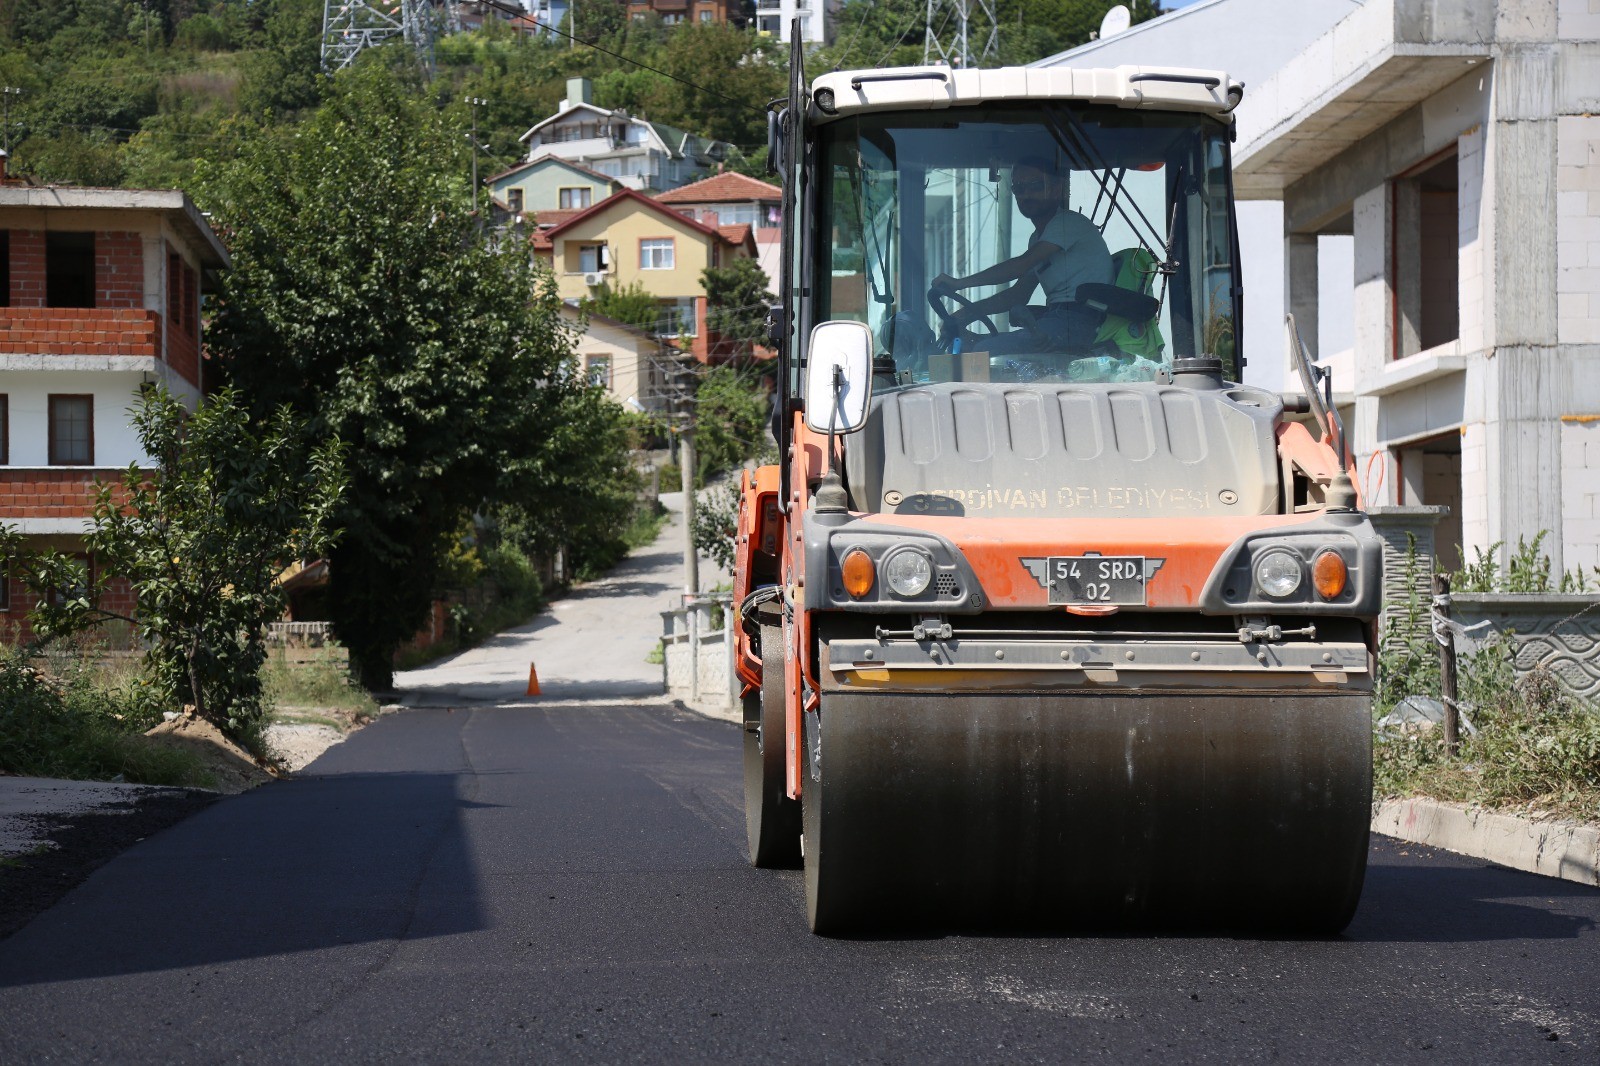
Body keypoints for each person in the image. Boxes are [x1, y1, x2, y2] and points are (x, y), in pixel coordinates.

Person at [929, 157, 1113, 359]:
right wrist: (966, 314)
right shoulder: (1038, 240)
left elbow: (1019, 266)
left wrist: (959, 283)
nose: (1026, 194)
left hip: (1081, 321)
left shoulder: (1068, 224)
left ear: (1055, 188)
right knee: (972, 346)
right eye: (1019, 188)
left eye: (1035, 185)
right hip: (1056, 320)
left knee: (986, 352)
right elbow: (1017, 296)